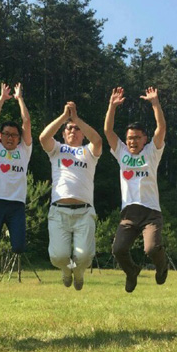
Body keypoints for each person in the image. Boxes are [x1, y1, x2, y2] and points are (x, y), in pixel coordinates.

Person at [104, 87, 168, 293]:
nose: (133, 141)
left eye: (137, 137)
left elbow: (161, 128)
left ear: (145, 139)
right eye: (130, 138)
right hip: (129, 213)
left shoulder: (151, 153)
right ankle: (132, 271)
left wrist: (155, 103)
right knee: (118, 249)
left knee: (151, 248)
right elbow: (108, 131)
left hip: (151, 212)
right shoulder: (122, 153)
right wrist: (112, 106)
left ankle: (162, 264)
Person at [39, 102, 102, 290]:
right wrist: (64, 117)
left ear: (83, 133)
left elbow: (98, 140)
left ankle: (79, 272)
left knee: (84, 256)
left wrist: (76, 119)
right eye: (69, 128)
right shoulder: (57, 149)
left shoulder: (89, 151)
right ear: (63, 133)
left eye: (77, 129)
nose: (73, 131)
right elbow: (43, 137)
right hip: (59, 211)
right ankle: (67, 271)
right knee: (58, 256)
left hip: (84, 212)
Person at [0, 82, 32, 257]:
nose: (10, 138)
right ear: (0, 135)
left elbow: (26, 122)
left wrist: (20, 99)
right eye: (6, 134)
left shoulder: (24, 150)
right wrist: (2, 98)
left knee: (18, 247)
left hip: (16, 204)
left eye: (14, 135)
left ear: (19, 138)